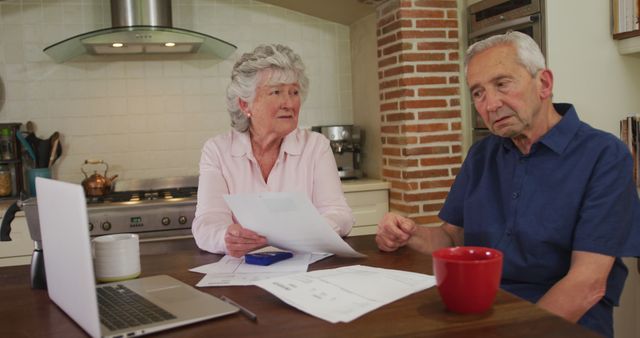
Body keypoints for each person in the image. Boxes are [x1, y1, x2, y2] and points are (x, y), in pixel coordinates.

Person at [375, 31, 640, 338]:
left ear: (544, 84)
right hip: (483, 316)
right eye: (478, 93)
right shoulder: (481, 155)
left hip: (562, 324)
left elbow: (587, 285)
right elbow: (452, 240)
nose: (490, 104)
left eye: (502, 84)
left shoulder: (605, 155)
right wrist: (409, 233)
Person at [192, 44, 354, 258]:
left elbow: (340, 214)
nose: (289, 103)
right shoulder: (217, 151)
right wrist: (227, 238)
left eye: (294, 92)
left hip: (307, 271)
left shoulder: (316, 146)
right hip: (244, 273)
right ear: (245, 104)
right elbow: (207, 222)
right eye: (276, 92)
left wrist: (307, 232)